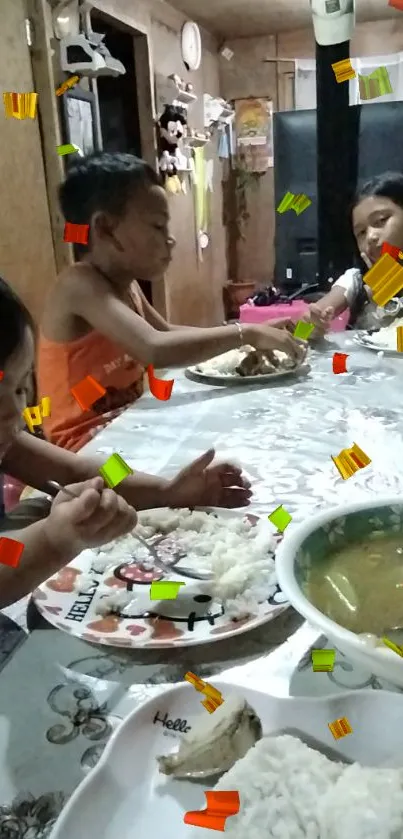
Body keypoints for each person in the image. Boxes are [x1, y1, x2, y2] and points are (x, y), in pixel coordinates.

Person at [0, 277, 252, 609]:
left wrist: (167, 491)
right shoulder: (81, 288)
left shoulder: (9, 437)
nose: (14, 412)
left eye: (19, 389)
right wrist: (53, 539)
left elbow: (76, 467)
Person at [37, 152, 305, 451]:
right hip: (84, 451)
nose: (170, 238)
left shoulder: (125, 285)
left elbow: (164, 330)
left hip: (127, 428)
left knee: (237, 433)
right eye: (157, 226)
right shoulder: (78, 285)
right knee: (197, 467)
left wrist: (246, 333)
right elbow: (154, 348)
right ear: (105, 229)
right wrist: (247, 333)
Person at [306, 172, 403, 332]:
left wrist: (388, 301)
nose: (371, 236)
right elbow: (306, 325)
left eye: (381, 220)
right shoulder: (356, 280)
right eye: (361, 233)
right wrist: (308, 327)